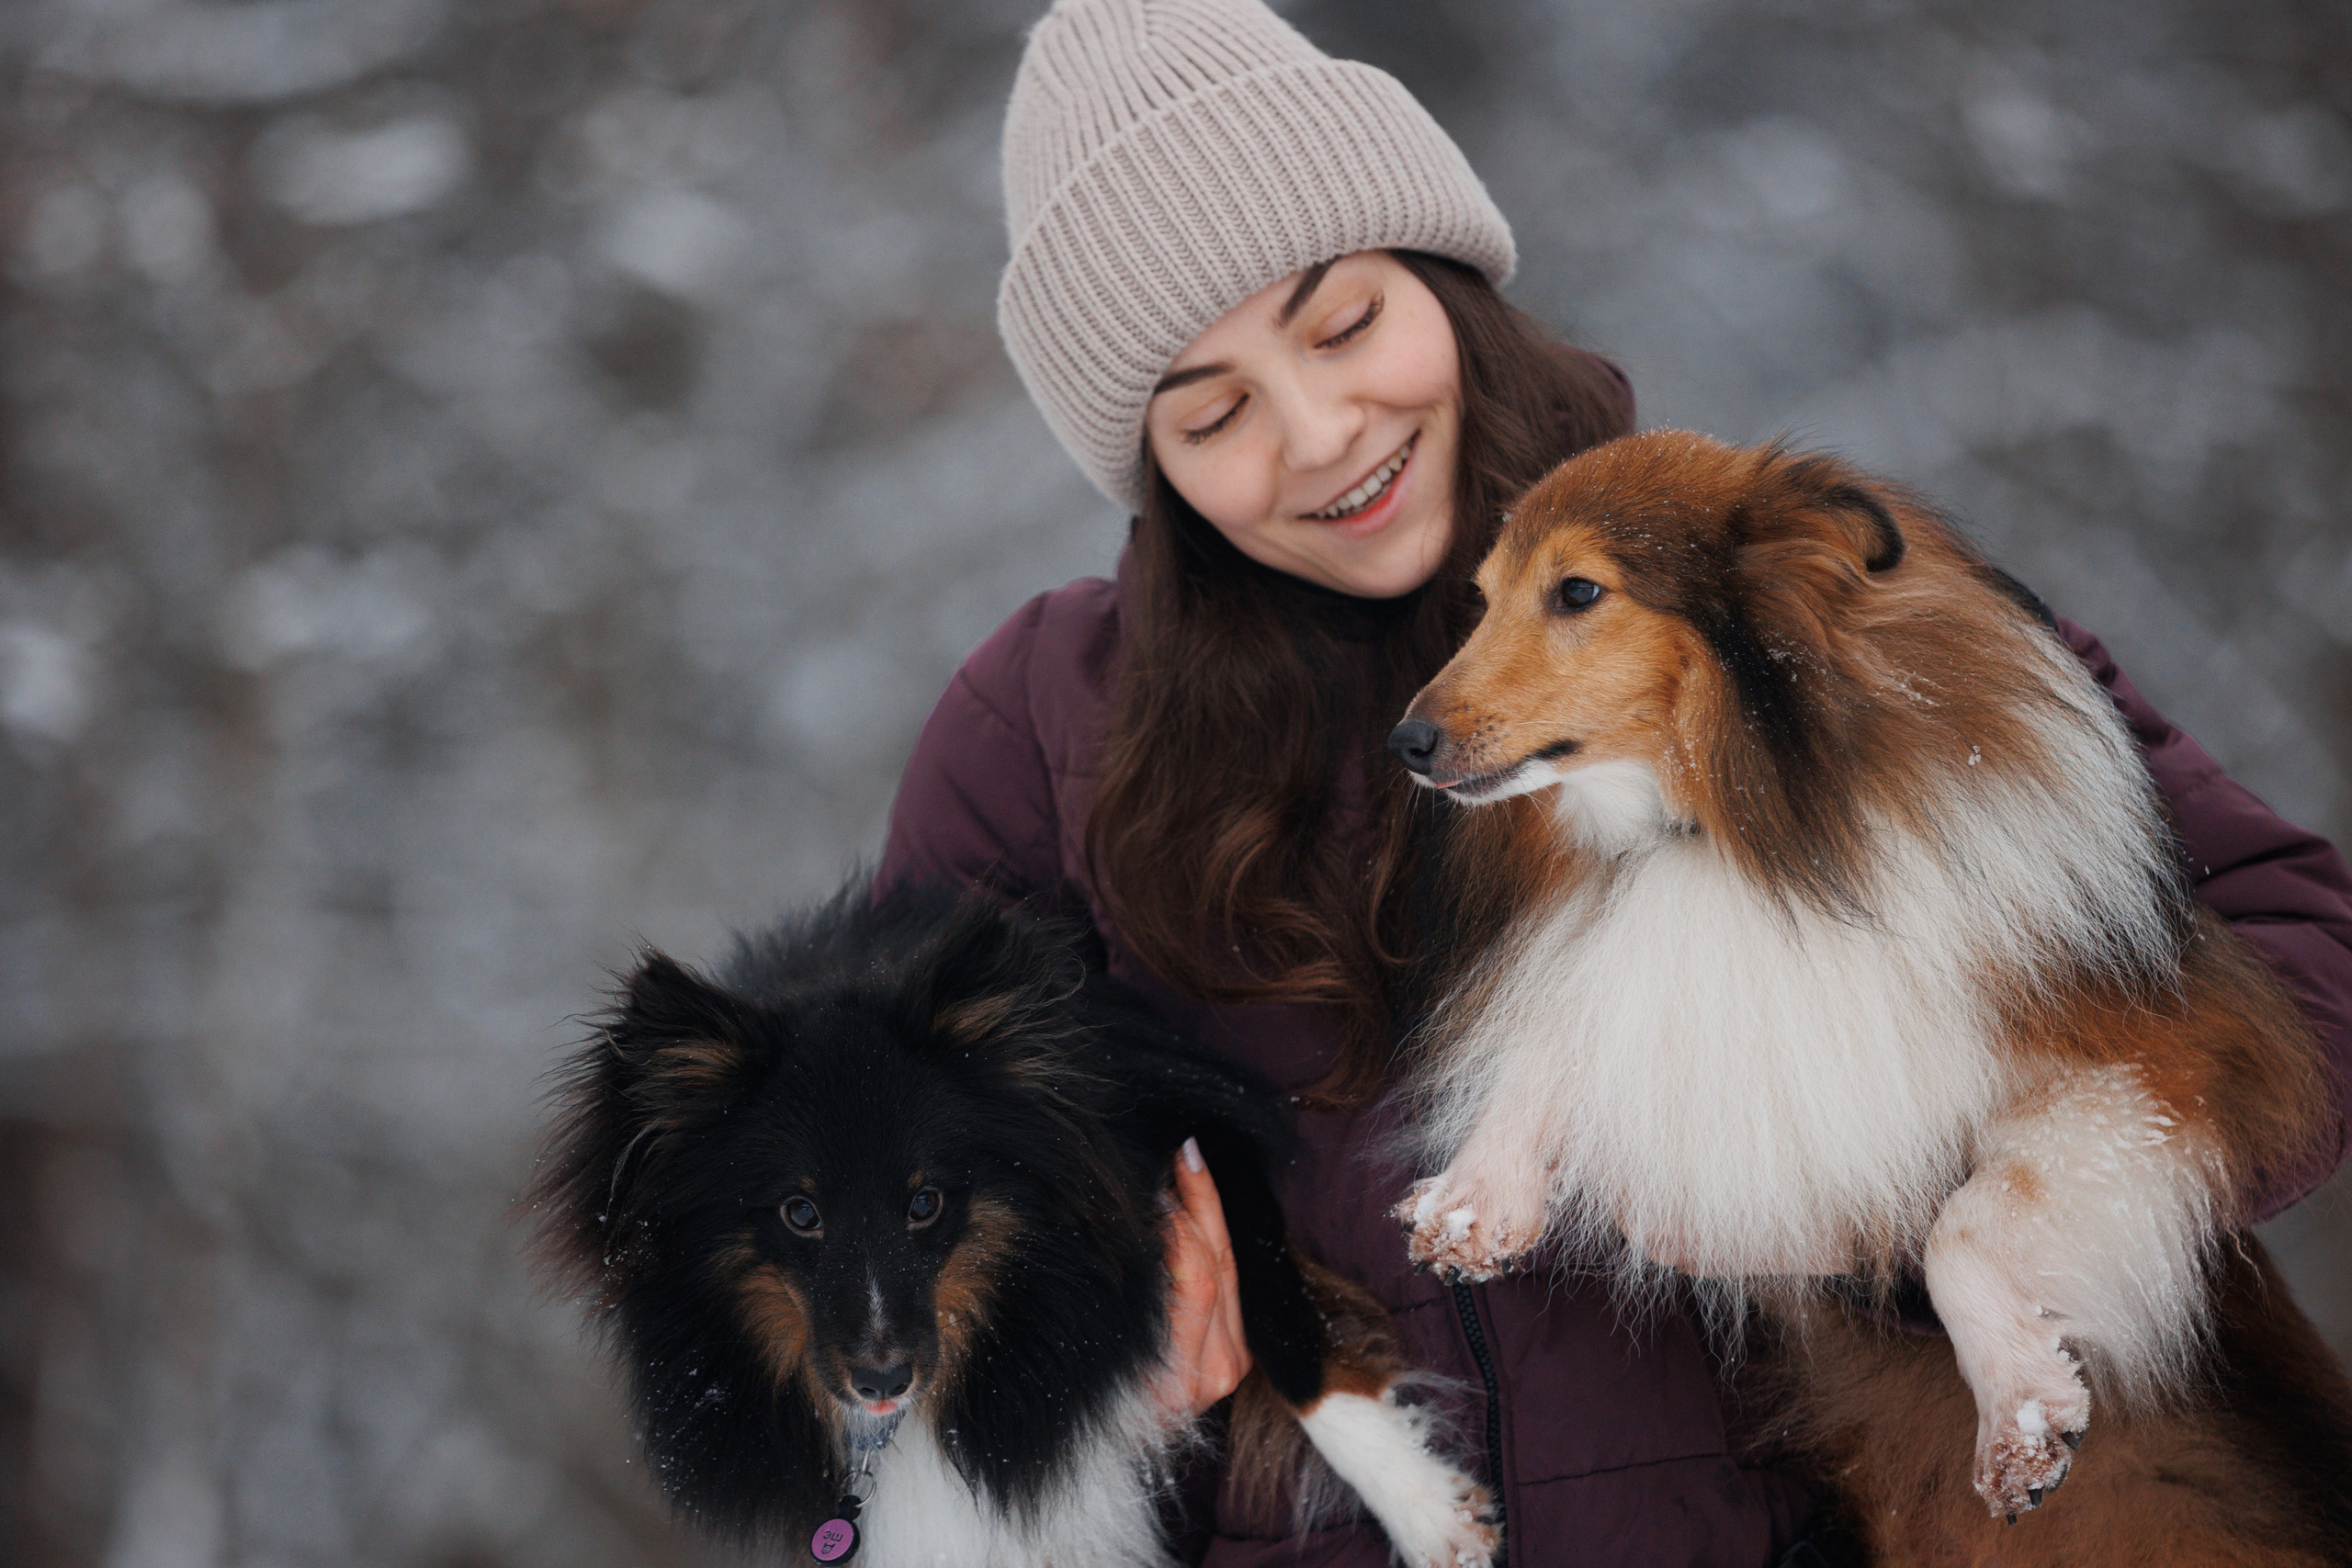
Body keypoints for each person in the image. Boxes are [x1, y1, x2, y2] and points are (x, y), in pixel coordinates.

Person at [874, 1, 2352, 1562]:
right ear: (1154, 462)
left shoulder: (1762, 572)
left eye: (1342, 323)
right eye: (1216, 411)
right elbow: (848, 1173)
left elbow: (2297, 955)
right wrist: (1051, 1294)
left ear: (1439, 278)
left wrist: (1929, 1209)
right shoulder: (1037, 725)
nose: (1321, 437)